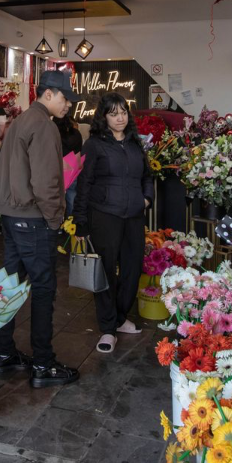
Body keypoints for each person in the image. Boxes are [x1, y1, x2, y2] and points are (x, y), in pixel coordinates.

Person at [0, 70, 81, 388]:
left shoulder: (21, 121)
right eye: (65, 98)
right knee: (43, 289)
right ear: (48, 94)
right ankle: (43, 363)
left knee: (11, 287)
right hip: (33, 219)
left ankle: (4, 354)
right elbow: (46, 182)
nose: (68, 105)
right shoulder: (43, 125)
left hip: (11, 217)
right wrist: (55, 219)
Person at [73, 92, 153, 354]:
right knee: (105, 272)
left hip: (133, 215)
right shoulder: (95, 145)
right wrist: (80, 220)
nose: (120, 117)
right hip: (104, 215)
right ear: (103, 117)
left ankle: (119, 318)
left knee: (132, 269)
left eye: (123, 112)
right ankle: (107, 327)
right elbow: (83, 184)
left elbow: (147, 176)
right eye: (113, 113)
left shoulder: (134, 143)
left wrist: (146, 199)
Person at [53, 114, 83, 214]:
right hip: (73, 169)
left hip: (56, 170)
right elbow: (79, 151)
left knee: (55, 199)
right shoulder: (77, 133)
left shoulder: (54, 134)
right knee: (72, 197)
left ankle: (57, 224)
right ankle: (71, 224)